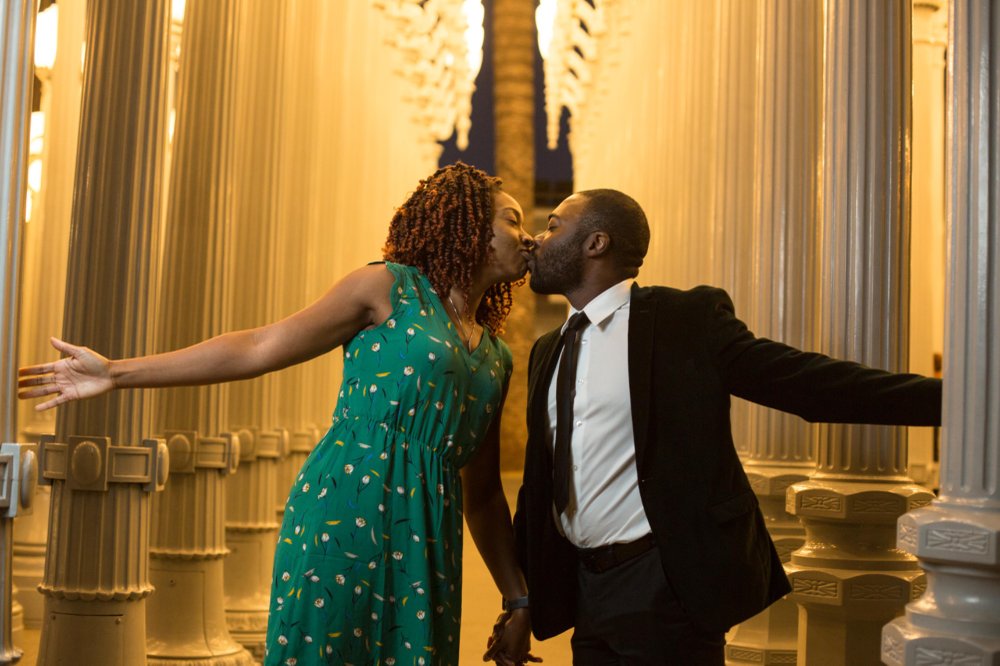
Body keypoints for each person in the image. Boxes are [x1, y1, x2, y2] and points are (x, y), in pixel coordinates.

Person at [19, 163, 540, 666]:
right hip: (343, 511)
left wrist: (517, 598)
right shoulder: (388, 288)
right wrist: (116, 372)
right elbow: (258, 347)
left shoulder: (496, 358)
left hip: (427, 540)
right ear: (468, 224)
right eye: (512, 220)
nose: (528, 236)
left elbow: (483, 493)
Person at [511, 189, 943, 665]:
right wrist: (523, 600)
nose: (535, 239)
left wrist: (953, 402)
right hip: (585, 589)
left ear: (596, 243)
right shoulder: (549, 348)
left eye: (553, 226)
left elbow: (806, 383)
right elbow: (540, 484)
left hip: (664, 583)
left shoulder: (681, 321)